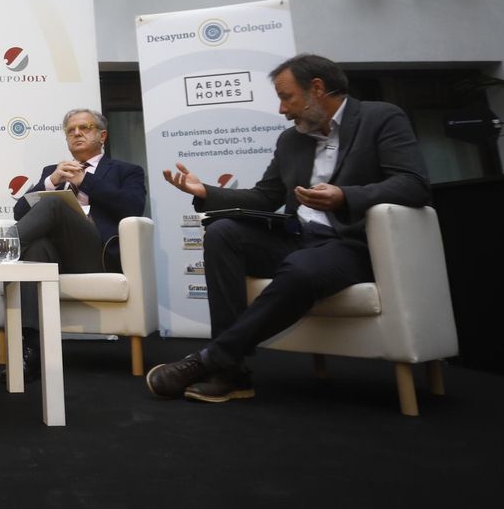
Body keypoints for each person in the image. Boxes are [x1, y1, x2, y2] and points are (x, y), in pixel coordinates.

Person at [150, 53, 431, 403]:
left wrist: (346, 196)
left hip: (351, 244)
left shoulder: (381, 118)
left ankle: (214, 360)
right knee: (223, 231)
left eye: (286, 97)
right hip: (298, 238)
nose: (283, 110)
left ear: (317, 89)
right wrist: (206, 191)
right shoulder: (291, 140)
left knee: (300, 270)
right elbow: (266, 197)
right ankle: (231, 373)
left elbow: (413, 184)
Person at [0, 109, 146, 381]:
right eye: (70, 130)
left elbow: (132, 206)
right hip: (54, 257)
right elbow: (21, 213)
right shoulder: (52, 173)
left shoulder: (127, 171)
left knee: (54, 203)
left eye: (85, 127)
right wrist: (52, 180)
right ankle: (31, 353)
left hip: (97, 256)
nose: (76, 133)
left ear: (102, 135)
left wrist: (85, 180)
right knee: (35, 249)